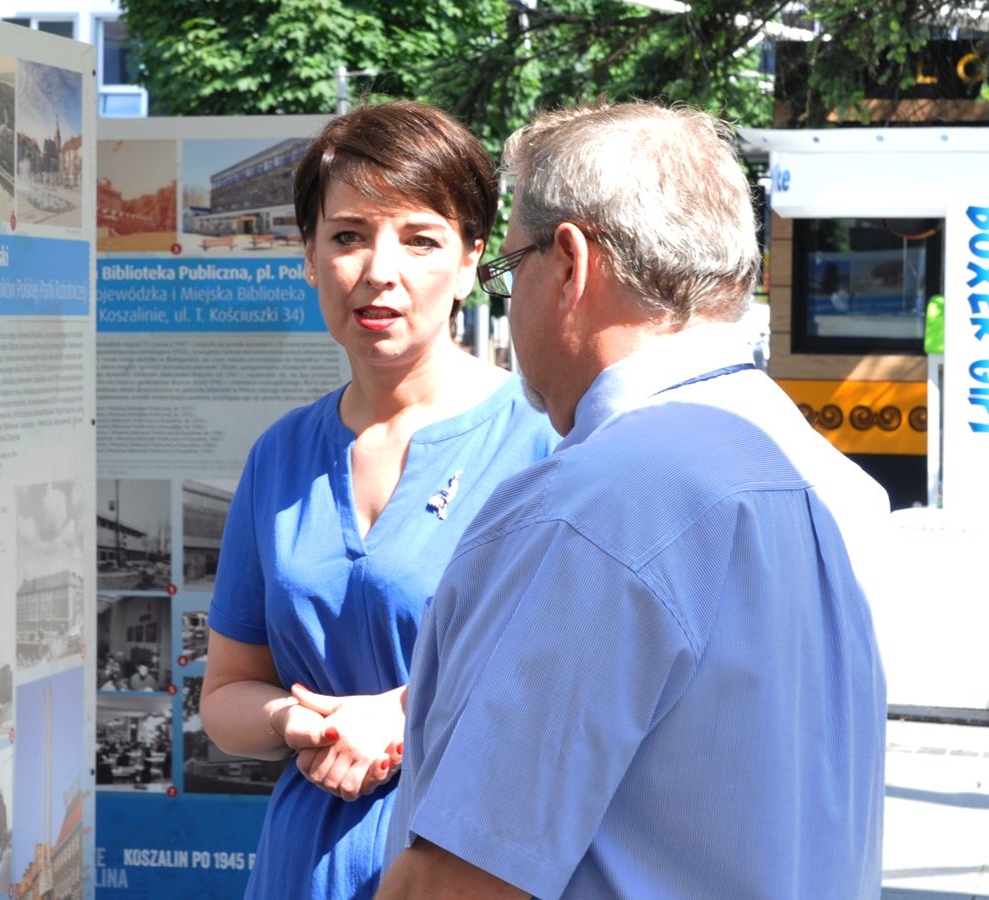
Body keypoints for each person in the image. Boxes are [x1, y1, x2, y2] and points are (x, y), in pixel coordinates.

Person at [380, 102, 889, 899]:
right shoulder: (830, 480)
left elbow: (458, 881)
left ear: (571, 264)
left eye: (509, 269)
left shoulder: (597, 507)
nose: (508, 300)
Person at [200, 99, 558, 899]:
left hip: (464, 862)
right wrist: (298, 722)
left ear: (471, 262)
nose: (378, 271)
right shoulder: (280, 456)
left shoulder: (542, 444)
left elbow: (570, 686)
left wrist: (401, 715)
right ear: (309, 256)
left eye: (420, 239)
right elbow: (225, 694)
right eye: (348, 236)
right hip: (301, 865)